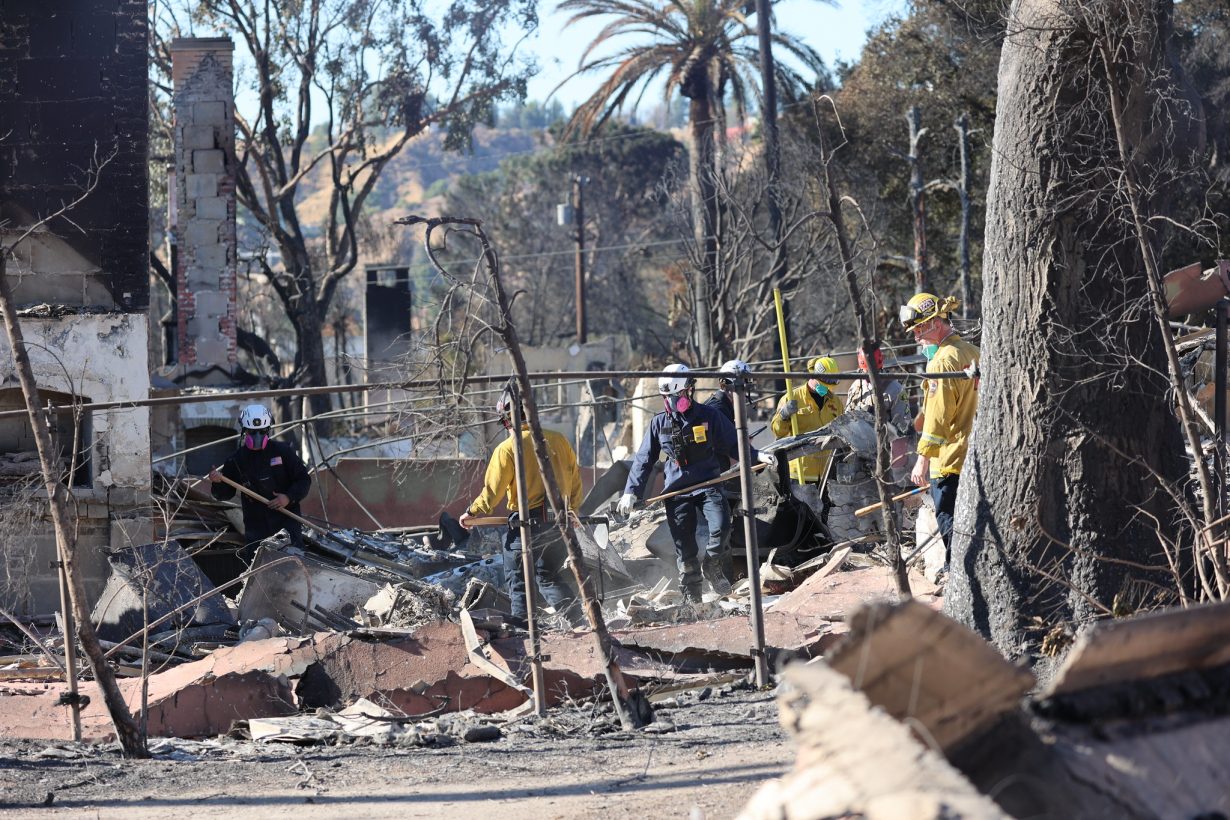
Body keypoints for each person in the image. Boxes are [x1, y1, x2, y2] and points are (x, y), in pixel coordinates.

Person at [618, 364, 769, 601]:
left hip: (708, 485)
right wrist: (631, 492)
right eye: (667, 396)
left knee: (721, 527)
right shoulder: (659, 423)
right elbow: (643, 459)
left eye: (676, 394)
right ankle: (693, 600)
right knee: (685, 551)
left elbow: (733, 443)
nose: (672, 400)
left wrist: (756, 455)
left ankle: (712, 563)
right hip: (677, 492)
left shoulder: (709, 415)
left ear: (689, 390)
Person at [459, 387, 583, 628]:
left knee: (519, 580)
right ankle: (580, 621)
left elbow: (492, 492)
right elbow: (575, 481)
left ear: (507, 420)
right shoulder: (559, 440)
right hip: (559, 522)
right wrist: (573, 512)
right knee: (547, 576)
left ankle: (523, 632)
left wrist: (472, 512)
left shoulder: (508, 448)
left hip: (527, 524)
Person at [900, 292, 980, 561]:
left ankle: (956, 575)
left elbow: (938, 418)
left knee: (950, 520)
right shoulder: (973, 352)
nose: (916, 337)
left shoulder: (942, 362)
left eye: (919, 329)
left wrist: (922, 460)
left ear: (936, 322)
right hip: (976, 455)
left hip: (949, 459)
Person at [209, 404, 312, 559]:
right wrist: (217, 482)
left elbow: (304, 480)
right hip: (256, 530)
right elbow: (224, 494)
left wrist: (288, 497)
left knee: (291, 569)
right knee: (259, 572)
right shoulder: (237, 460)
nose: (257, 437)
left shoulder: (283, 452)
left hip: (287, 525)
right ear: (244, 431)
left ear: (268, 430)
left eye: (262, 432)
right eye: (252, 432)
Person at [770, 356, 846, 523]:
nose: (825, 389)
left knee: (825, 521)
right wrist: (784, 415)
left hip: (827, 473)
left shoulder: (835, 402)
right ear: (812, 376)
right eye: (823, 385)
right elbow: (777, 431)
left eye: (829, 386)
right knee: (802, 521)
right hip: (800, 473)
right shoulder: (792, 397)